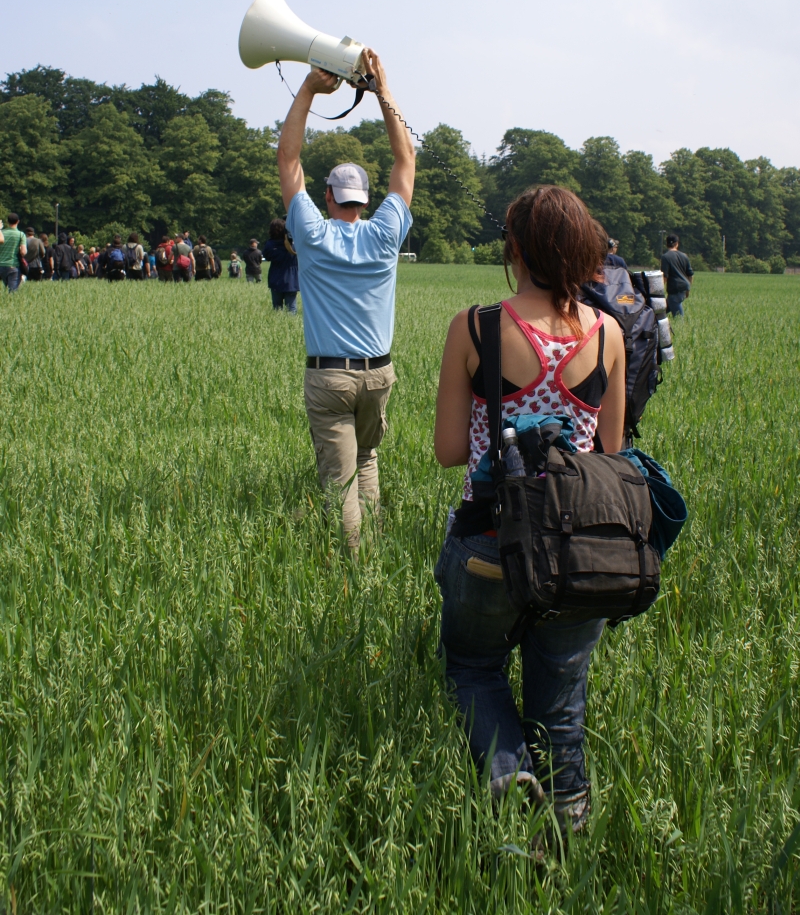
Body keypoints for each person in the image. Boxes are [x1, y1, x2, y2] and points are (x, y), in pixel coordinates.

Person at [433, 185, 626, 831]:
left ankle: (507, 775)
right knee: (562, 703)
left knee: (473, 666)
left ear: (513, 248)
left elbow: (449, 450)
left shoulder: (476, 326)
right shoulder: (608, 333)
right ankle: (569, 826)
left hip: (490, 540)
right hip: (577, 548)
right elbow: (611, 451)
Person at [278, 49, 415, 550]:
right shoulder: (385, 233)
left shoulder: (313, 234)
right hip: (378, 374)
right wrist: (382, 91)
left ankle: (352, 566)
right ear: (366, 200)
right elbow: (405, 159)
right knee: (367, 460)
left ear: (329, 197)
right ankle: (372, 554)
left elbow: (288, 159)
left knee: (339, 483)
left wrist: (309, 90)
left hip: (330, 376)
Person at [262, 216, 300, 313]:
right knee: (291, 308)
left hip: (276, 277)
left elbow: (267, 256)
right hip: (292, 279)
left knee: (277, 308)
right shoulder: (294, 243)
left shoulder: (270, 244)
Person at [660, 234, 693, 316]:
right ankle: (653, 321)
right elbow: (690, 274)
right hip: (684, 286)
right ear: (677, 243)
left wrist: (659, 290)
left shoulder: (665, 257)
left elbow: (665, 276)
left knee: (678, 317)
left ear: (667, 244)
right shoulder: (684, 256)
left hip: (675, 288)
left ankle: (682, 325)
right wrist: (688, 289)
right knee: (661, 312)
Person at [0, 214, 27, 291]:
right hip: (13, 265)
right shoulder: (21, 235)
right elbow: (23, 252)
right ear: (18, 221)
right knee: (12, 291)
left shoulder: (1, 233)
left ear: (7, 221)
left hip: (1, 264)